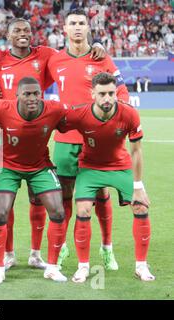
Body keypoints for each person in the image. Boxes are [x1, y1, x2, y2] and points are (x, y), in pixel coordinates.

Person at [0, 17, 105, 271]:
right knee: (4, 200)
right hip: (7, 138)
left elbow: (72, 53)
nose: (22, 34)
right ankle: (8, 254)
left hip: (37, 137)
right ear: (8, 35)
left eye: (26, 30)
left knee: (37, 198)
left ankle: (35, 254)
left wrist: (95, 45)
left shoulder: (45, 55)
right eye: (17, 31)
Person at [47, 8, 130, 269]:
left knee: (101, 194)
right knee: (64, 195)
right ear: (65, 28)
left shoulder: (101, 58)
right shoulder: (54, 60)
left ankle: (107, 248)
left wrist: (116, 120)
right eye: (72, 23)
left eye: (82, 23)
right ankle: (61, 247)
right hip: (65, 137)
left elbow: (121, 90)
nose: (78, 27)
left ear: (88, 27)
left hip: (96, 140)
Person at [61, 72, 155, 283]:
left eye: (111, 93)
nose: (107, 99)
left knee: (141, 205)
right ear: (92, 93)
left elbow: (137, 151)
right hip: (90, 167)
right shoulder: (80, 114)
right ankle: (83, 267)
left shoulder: (129, 114)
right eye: (102, 94)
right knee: (83, 208)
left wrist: (138, 185)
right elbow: (52, 123)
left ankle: (141, 266)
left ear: (116, 93)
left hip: (120, 167)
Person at [0, 77, 68, 284]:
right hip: (8, 168)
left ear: (42, 94)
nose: (32, 98)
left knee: (58, 212)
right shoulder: (3, 108)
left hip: (40, 167)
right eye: (27, 94)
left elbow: (79, 116)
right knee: (1, 213)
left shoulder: (54, 109)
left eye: (36, 93)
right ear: (17, 96)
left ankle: (52, 267)